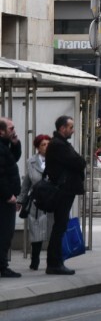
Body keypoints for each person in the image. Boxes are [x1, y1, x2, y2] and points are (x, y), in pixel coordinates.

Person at [45, 115, 87, 275]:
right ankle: (55, 263)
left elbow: (78, 161)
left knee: (60, 226)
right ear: (62, 128)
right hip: (63, 190)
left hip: (65, 189)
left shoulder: (60, 143)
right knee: (59, 226)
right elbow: (79, 162)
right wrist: (79, 162)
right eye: (70, 127)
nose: (73, 130)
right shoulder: (58, 145)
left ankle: (56, 261)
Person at [16, 135, 52, 272]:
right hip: (36, 203)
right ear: (37, 147)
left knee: (52, 232)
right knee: (36, 233)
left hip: (52, 202)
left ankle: (52, 261)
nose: (46, 147)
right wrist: (20, 200)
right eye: (43, 144)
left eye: (48, 144)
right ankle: (34, 260)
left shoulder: (56, 160)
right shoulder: (31, 162)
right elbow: (26, 183)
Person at [0, 118, 22, 278]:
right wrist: (9, 195)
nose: (13, 130)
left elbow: (13, 159)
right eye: (11, 128)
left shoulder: (4, 145)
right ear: (1, 131)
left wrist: (15, 143)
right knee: (5, 233)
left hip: (6, 198)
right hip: (4, 199)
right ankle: (2, 266)